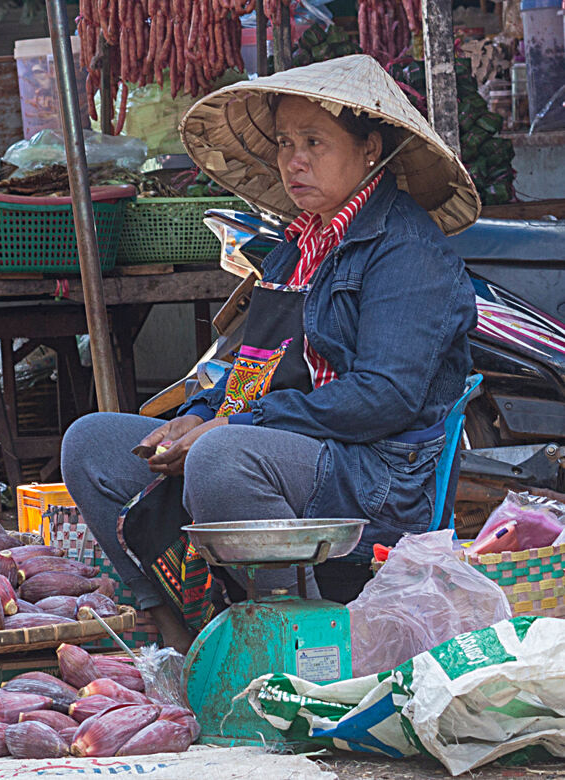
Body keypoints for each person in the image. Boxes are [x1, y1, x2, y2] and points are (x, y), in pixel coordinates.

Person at [60, 55, 480, 651]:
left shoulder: (407, 251)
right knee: (91, 444)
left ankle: (286, 641)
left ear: (369, 149)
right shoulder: (295, 245)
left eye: (315, 142)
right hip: (287, 445)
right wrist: (202, 413)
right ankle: (185, 639)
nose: (294, 160)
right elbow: (250, 362)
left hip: (376, 472)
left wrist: (234, 425)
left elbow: (385, 397)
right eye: (285, 143)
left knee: (222, 460)